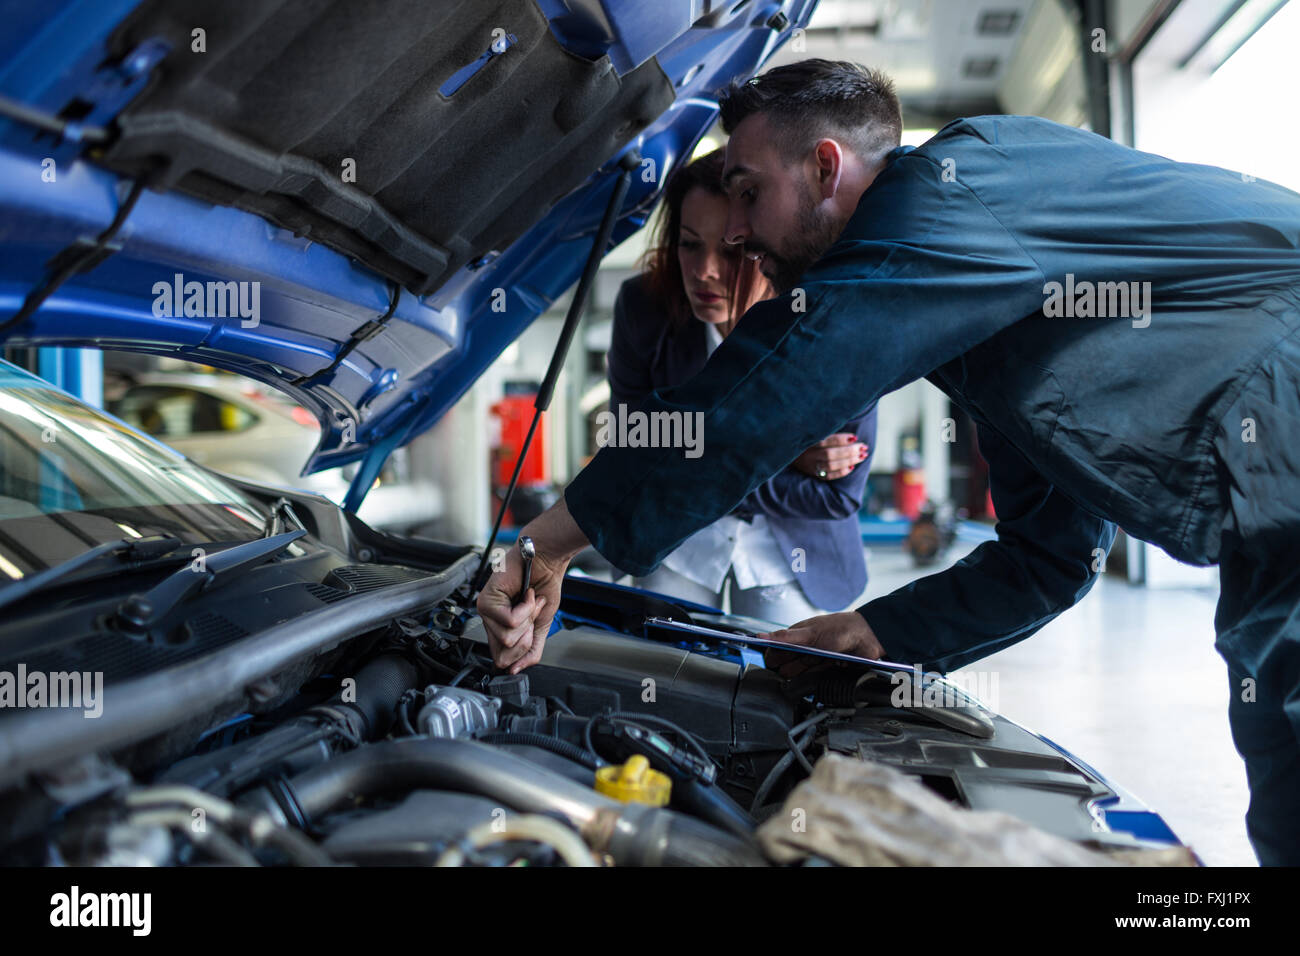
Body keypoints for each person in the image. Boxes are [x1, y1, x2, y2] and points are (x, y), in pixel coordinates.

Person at [478, 60, 1300, 865]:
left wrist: (546, 543)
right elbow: (1048, 557)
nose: (735, 230)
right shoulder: (992, 309)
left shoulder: (950, 190)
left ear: (826, 167)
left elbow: (774, 382)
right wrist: (876, 634)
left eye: (749, 190)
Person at [608, 149, 877, 622]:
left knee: (787, 684)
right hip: (676, 538)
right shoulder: (644, 308)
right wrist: (785, 453)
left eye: (730, 251)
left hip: (797, 553)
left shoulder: (831, 323)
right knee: (661, 676)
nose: (705, 271)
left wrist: (698, 448)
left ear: (767, 248)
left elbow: (837, 496)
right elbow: (632, 441)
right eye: (690, 245)